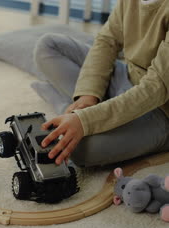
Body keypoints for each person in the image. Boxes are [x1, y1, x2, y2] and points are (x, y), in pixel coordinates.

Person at [32, 0, 169, 167]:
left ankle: (65, 106)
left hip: (160, 109)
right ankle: (88, 109)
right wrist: (88, 94)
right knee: (47, 46)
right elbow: (106, 40)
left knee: (80, 149)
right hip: (127, 76)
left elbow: (156, 88)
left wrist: (85, 120)